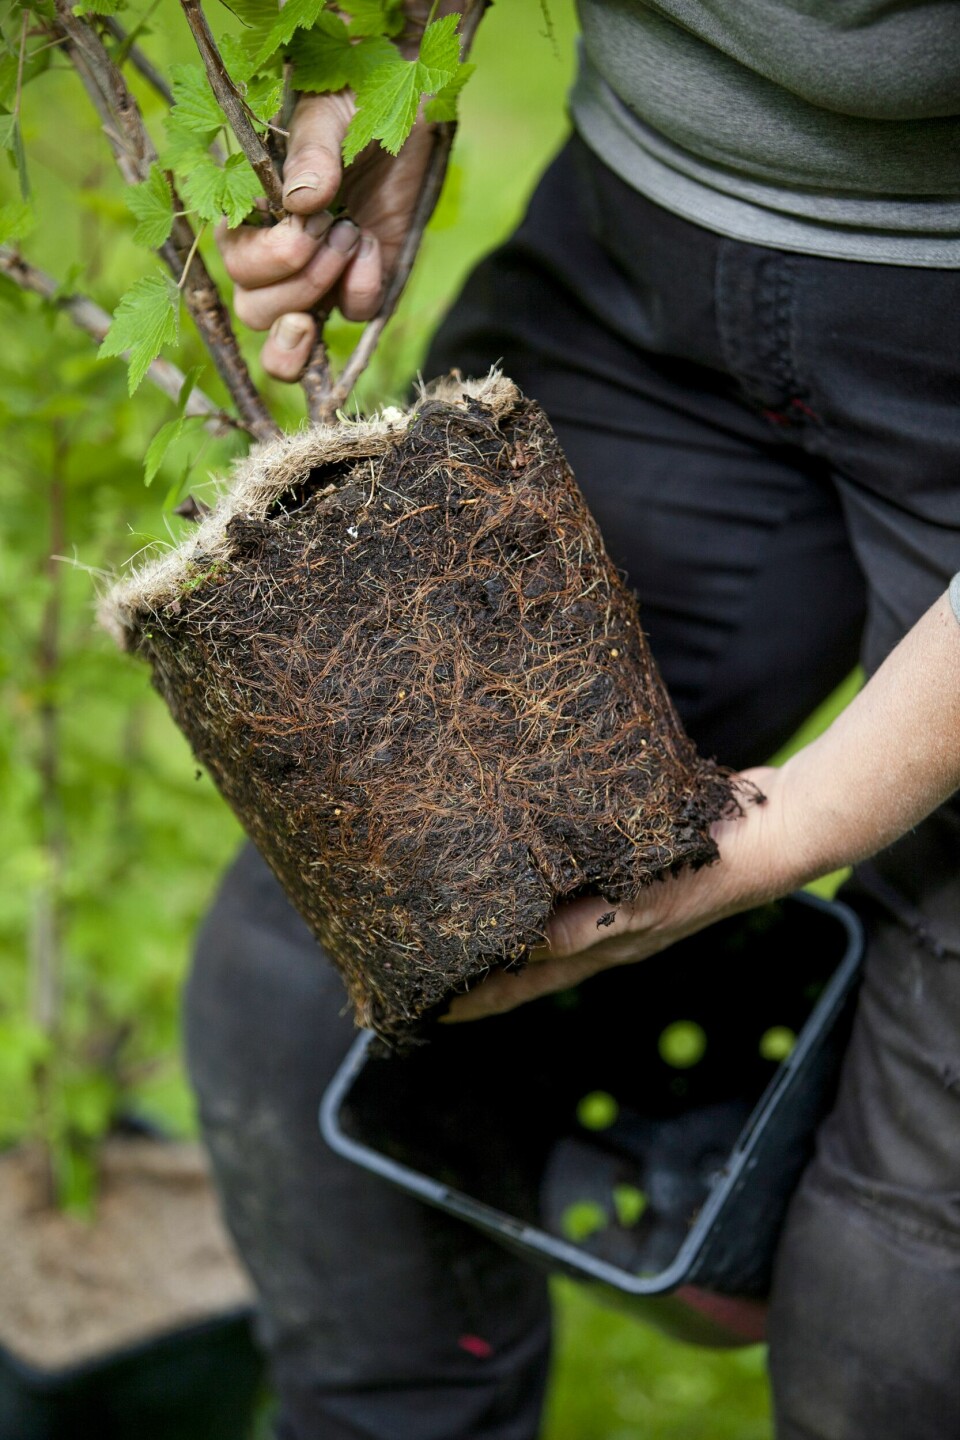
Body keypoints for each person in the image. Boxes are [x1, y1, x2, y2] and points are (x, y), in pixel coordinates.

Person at [185, 4, 960, 1436]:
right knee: (309, 1013)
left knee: (908, 1294)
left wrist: (794, 829)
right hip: (640, 264)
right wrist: (407, 46)